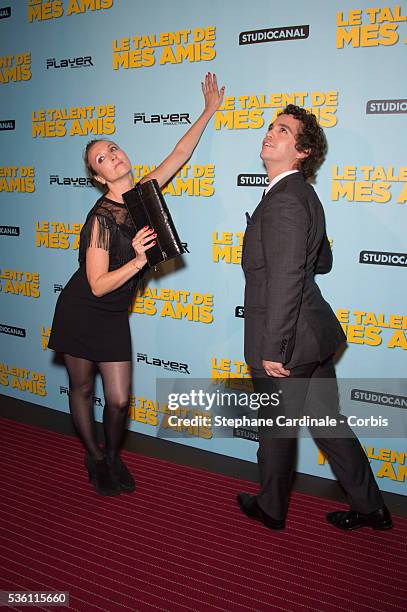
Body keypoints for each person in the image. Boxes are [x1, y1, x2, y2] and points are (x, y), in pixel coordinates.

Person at [48, 73, 224, 496]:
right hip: (83, 310)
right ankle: (95, 458)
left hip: (113, 316)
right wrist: (142, 259)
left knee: (120, 399)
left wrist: (208, 110)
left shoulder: (144, 193)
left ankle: (112, 455)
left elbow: (179, 154)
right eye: (101, 159)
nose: (112, 156)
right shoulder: (101, 219)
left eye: (112, 148)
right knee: (83, 387)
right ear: (98, 176)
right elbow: (96, 285)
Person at [237, 105, 392, 531]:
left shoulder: (286, 200)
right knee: (328, 424)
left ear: (302, 150)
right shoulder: (301, 196)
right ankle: (370, 505)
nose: (271, 133)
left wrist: (275, 349)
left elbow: (288, 278)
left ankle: (270, 507)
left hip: (288, 342)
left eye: (283, 130)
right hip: (313, 336)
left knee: (275, 430)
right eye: (271, 127)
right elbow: (319, 260)